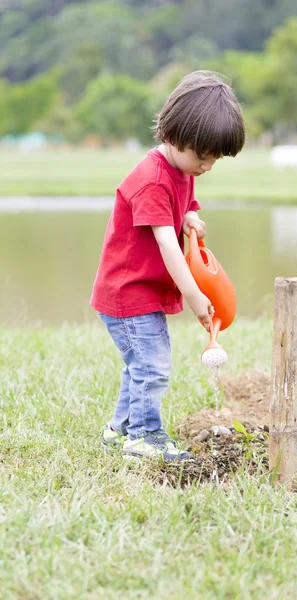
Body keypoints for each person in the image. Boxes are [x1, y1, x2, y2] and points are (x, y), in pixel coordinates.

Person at [90, 70, 245, 461]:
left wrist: (189, 216)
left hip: (142, 290)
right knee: (153, 365)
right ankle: (144, 436)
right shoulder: (152, 180)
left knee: (139, 365)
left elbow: (182, 204)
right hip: (129, 293)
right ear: (176, 137)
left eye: (215, 159)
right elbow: (166, 244)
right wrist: (195, 296)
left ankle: (119, 429)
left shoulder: (180, 168)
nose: (207, 166)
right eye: (204, 157)